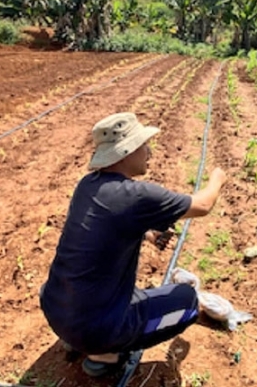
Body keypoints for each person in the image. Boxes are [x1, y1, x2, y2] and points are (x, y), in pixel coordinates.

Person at [40, 112, 227, 377]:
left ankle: (77, 337)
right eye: (143, 145)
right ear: (126, 152)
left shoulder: (87, 185)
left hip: (54, 307)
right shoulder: (139, 196)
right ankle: (105, 354)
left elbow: (102, 229)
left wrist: (147, 234)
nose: (149, 152)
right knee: (188, 302)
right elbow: (203, 205)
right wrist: (217, 178)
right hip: (97, 330)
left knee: (99, 294)